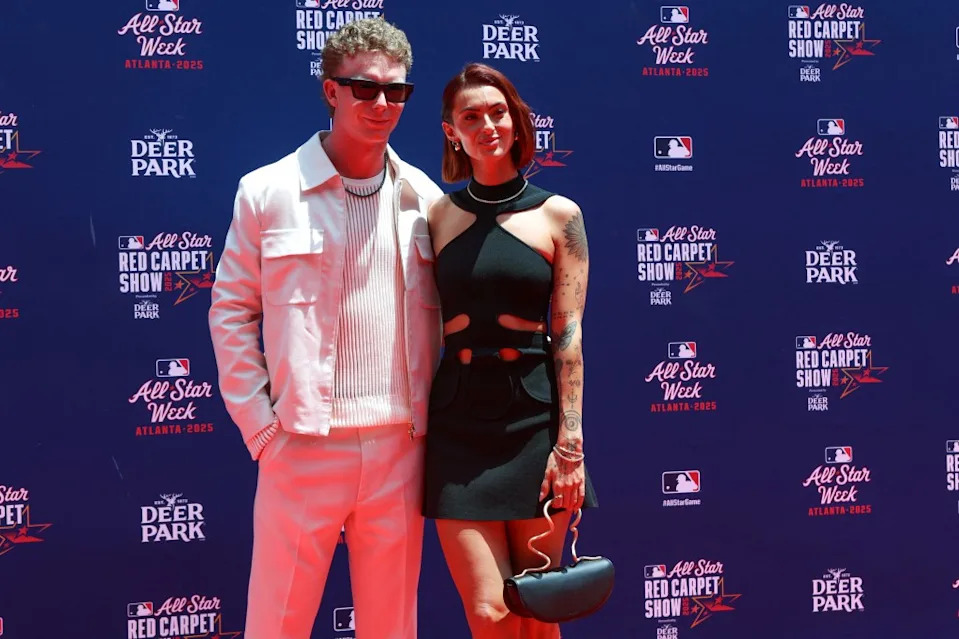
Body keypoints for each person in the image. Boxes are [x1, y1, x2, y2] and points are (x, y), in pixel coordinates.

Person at [207, 17, 442, 639]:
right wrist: (262, 429)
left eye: (397, 92)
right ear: (330, 91)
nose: (382, 104)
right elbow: (231, 310)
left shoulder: (423, 195)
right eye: (364, 89)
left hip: (400, 447)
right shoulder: (268, 191)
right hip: (302, 444)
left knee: (392, 626)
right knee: (276, 624)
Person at [423, 62, 599, 639]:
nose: (487, 125)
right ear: (452, 130)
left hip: (534, 420)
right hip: (457, 422)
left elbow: (568, 336)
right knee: (489, 612)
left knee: (535, 610)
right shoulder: (439, 216)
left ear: (516, 120)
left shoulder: (560, 215)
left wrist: (569, 446)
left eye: (497, 112)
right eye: (470, 116)